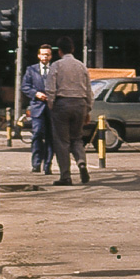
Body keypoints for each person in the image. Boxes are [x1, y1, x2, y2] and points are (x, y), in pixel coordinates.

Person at [44, 36, 94, 186]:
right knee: (77, 138)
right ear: (72, 49)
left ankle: (65, 175)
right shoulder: (81, 66)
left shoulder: (56, 66)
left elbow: (50, 88)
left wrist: (51, 104)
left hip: (62, 103)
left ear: (59, 51)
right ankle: (81, 162)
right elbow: (89, 90)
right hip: (80, 104)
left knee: (62, 141)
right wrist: (88, 108)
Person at [20, 44, 55, 174]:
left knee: (51, 137)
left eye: (48, 54)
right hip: (37, 107)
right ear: (39, 55)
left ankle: (48, 165)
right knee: (37, 134)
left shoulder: (55, 69)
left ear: (51, 56)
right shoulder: (31, 70)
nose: (45, 56)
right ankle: (36, 163)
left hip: (52, 107)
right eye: (43, 54)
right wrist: (36, 94)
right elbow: (25, 86)